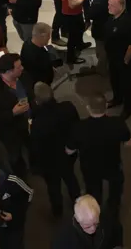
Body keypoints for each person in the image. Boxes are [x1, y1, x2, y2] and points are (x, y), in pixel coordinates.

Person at [66, 94, 131, 213]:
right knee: (116, 185)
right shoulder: (118, 123)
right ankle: (113, 205)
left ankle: (96, 207)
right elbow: (128, 143)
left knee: (93, 189)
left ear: (88, 108)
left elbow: (69, 150)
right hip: (112, 164)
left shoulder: (79, 128)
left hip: (90, 168)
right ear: (106, 106)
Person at [30, 82, 80, 217]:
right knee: (70, 177)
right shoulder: (68, 108)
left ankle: (57, 211)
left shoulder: (37, 123)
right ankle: (78, 201)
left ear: (37, 100)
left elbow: (37, 147)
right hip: (68, 155)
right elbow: (77, 129)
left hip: (50, 162)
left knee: (53, 187)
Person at [0, 54, 30, 178]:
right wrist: (12, 113)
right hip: (10, 132)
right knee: (15, 155)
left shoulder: (22, 77)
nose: (22, 68)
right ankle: (21, 177)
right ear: (9, 71)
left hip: (27, 123)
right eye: (19, 67)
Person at [103, 0, 131, 119]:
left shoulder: (128, 22)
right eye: (108, 4)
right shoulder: (112, 17)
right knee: (114, 80)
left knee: (125, 84)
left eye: (112, 5)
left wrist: (126, 60)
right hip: (112, 57)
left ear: (121, 6)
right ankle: (117, 99)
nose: (109, 7)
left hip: (123, 59)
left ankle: (128, 109)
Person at [52, 194, 123, 249]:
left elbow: (117, 236)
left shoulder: (109, 220)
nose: (93, 229)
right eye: (87, 226)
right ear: (77, 219)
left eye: (96, 224)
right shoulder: (63, 239)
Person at [88, 0, 117, 77]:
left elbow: (91, 14)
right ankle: (108, 66)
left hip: (100, 29)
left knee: (101, 50)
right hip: (113, 27)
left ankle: (101, 69)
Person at [62, 0, 91, 65]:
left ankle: (80, 44)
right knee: (72, 37)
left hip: (76, 12)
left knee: (80, 29)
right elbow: (72, 4)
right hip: (71, 14)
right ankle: (71, 58)